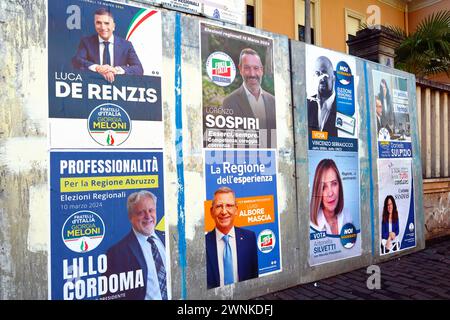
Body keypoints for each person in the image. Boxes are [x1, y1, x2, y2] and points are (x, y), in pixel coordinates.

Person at [105, 190, 167, 300]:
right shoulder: (117, 252)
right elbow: (112, 296)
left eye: (151, 210)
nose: (148, 216)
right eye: (141, 212)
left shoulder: (167, 239)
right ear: (130, 217)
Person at [205, 187, 259, 289]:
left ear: (236, 210)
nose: (224, 211)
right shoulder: (203, 244)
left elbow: (254, 277)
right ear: (211, 211)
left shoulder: (249, 238)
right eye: (219, 206)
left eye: (229, 205)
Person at [222, 48, 276, 148]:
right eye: (247, 68)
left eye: (256, 68)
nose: (252, 74)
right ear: (240, 69)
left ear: (262, 70)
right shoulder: (229, 102)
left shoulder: (274, 102)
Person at [72, 8, 143, 82]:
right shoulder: (86, 42)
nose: (103, 27)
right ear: (94, 24)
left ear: (113, 26)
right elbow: (77, 61)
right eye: (98, 23)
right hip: (93, 86)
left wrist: (116, 70)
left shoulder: (126, 45)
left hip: (119, 88)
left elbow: (138, 69)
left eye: (107, 23)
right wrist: (97, 68)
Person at [310, 159, 352, 235]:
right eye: (323, 187)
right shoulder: (311, 225)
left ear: (339, 186)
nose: (330, 193)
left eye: (334, 184)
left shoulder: (347, 214)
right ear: (318, 191)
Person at [307, 56, 338, 137]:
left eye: (324, 74)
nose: (321, 79)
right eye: (318, 74)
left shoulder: (342, 108)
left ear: (333, 79)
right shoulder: (306, 104)